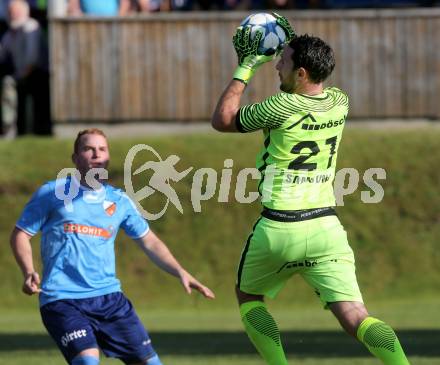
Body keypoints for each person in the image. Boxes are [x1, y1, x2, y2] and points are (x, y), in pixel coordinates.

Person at [211, 15, 410, 365]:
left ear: (301, 73)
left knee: (249, 297)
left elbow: (223, 120)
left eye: (283, 61)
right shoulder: (339, 102)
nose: (276, 66)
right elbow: (309, 97)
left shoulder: (281, 106)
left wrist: (246, 67)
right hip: (325, 229)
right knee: (357, 317)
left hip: (279, 228)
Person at [10, 128, 215, 365]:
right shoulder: (53, 192)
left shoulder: (119, 201)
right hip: (62, 299)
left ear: (107, 158)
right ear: (75, 159)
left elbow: (150, 241)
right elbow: (20, 234)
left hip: (110, 300)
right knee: (87, 361)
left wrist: (180, 271)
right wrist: (28, 271)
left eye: (102, 149)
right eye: (88, 149)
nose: (96, 154)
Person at [0, 0, 51, 135]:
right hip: (19, 74)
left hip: (35, 74)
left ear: (24, 12)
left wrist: (18, 76)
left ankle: (11, 130)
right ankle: (9, 128)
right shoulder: (10, 32)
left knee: (8, 84)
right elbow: (3, 55)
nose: (13, 14)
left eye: (16, 11)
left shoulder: (31, 27)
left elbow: (31, 59)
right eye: (11, 12)